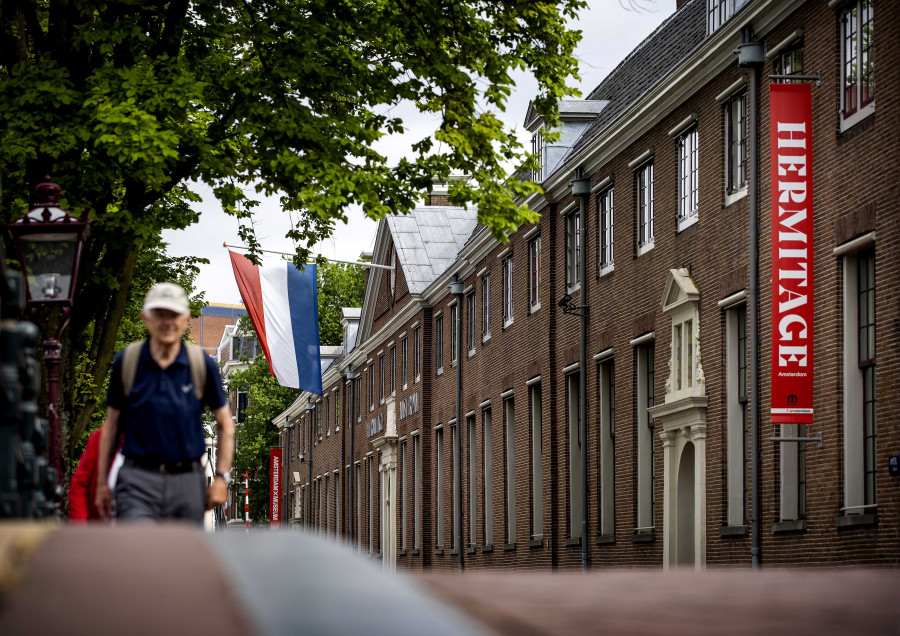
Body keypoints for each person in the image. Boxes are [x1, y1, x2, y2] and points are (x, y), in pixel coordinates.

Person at [94, 282, 234, 523]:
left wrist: (221, 477)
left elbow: (225, 423)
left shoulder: (202, 365)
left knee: (181, 556)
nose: (167, 321)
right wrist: (101, 482)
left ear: (186, 318)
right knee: (139, 549)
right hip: (137, 479)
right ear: (145, 318)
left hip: (187, 481)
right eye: (160, 314)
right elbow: (111, 425)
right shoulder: (127, 362)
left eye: (174, 314)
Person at [68, 428, 122, 522]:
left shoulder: (151, 440)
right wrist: (81, 526)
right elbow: (79, 485)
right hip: (98, 526)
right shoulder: (101, 438)